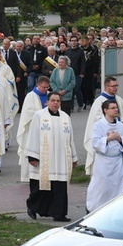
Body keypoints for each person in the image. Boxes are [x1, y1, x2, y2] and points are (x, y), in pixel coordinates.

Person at [25, 93, 78, 222]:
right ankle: (32, 206)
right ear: (47, 102)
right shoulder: (39, 116)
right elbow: (33, 135)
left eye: (58, 101)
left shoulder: (65, 117)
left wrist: (73, 157)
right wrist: (33, 156)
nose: (55, 103)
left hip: (61, 159)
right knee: (42, 187)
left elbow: (70, 138)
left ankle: (59, 214)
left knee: (60, 187)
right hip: (45, 159)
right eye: (53, 100)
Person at [86, 100, 123, 212]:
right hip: (103, 162)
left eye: (116, 107)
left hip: (116, 163)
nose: (116, 110)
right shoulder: (98, 125)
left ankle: (114, 211)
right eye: (113, 108)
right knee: (102, 187)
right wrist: (109, 138)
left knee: (116, 188)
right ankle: (94, 208)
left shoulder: (120, 125)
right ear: (105, 110)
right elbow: (95, 143)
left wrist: (119, 138)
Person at [84, 76, 123, 178]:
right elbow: (96, 118)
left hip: (118, 138)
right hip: (104, 141)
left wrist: (119, 122)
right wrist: (110, 125)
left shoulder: (118, 99)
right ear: (106, 86)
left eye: (116, 86)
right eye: (113, 86)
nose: (115, 88)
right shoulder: (99, 101)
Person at [18, 76, 50, 182]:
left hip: (47, 129)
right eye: (43, 87)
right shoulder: (31, 96)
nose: (45, 89)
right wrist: (43, 111)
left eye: (47, 87)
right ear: (38, 85)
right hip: (32, 129)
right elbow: (27, 113)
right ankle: (27, 176)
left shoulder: (50, 96)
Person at [65, 37, 86, 111]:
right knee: (70, 90)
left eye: (75, 41)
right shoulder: (67, 51)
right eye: (72, 41)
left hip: (78, 74)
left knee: (77, 89)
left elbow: (83, 62)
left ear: (77, 42)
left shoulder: (80, 51)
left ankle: (81, 104)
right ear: (70, 42)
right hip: (69, 74)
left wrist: (82, 72)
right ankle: (71, 107)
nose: (73, 42)